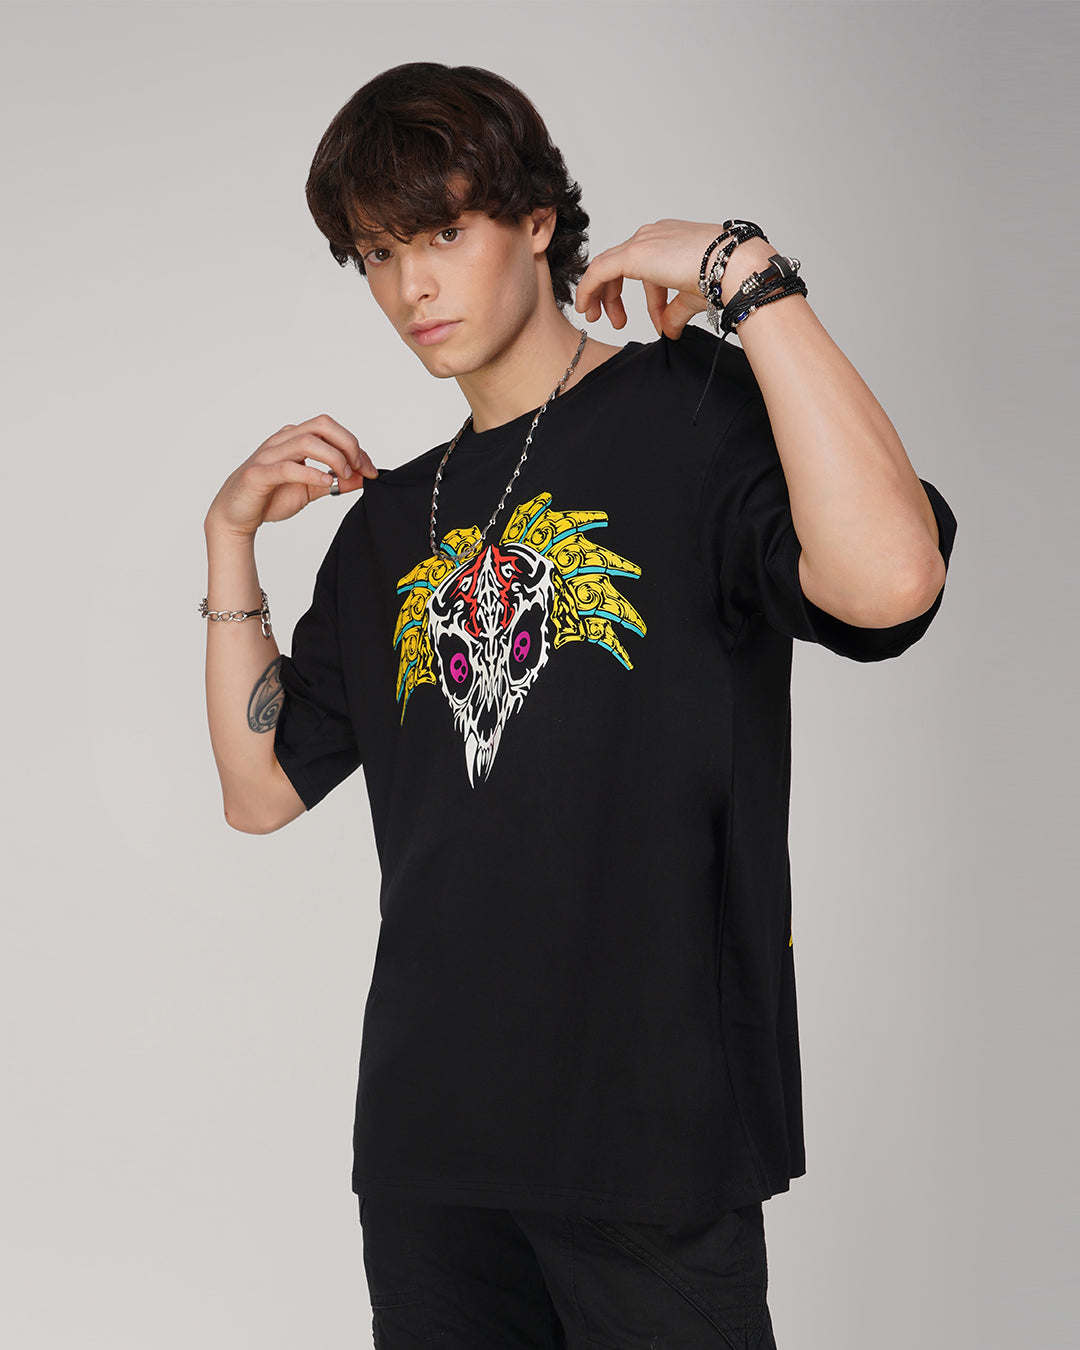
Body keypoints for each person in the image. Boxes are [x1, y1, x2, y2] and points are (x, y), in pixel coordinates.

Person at [202, 61, 957, 1350]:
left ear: (538, 220)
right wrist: (229, 545)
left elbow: (891, 580)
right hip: (432, 1143)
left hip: (649, 1129)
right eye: (377, 254)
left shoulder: (689, 409)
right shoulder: (388, 522)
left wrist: (749, 278)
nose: (411, 286)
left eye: (443, 233)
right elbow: (260, 790)